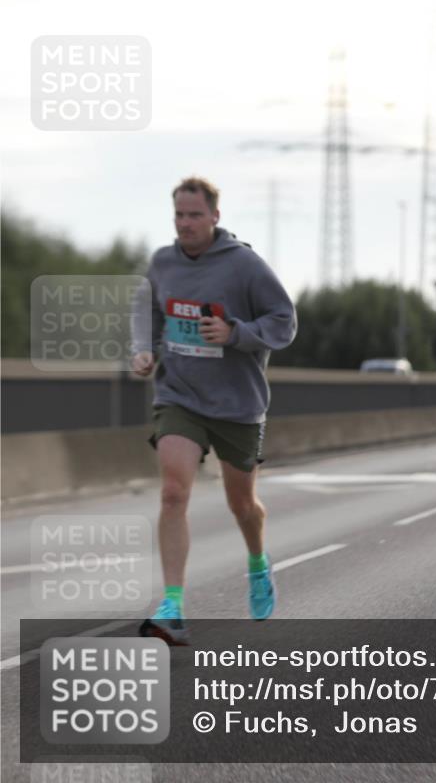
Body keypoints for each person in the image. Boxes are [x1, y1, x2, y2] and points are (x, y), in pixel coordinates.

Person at [131, 176, 297, 645]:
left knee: (242, 504)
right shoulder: (163, 262)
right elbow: (148, 309)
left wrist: (235, 333)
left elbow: (284, 322)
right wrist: (143, 348)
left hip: (237, 404)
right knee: (172, 493)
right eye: (179, 215)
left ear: (215, 217)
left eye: (194, 215)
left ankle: (258, 564)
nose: (185, 224)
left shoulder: (244, 265)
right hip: (179, 396)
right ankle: (173, 606)